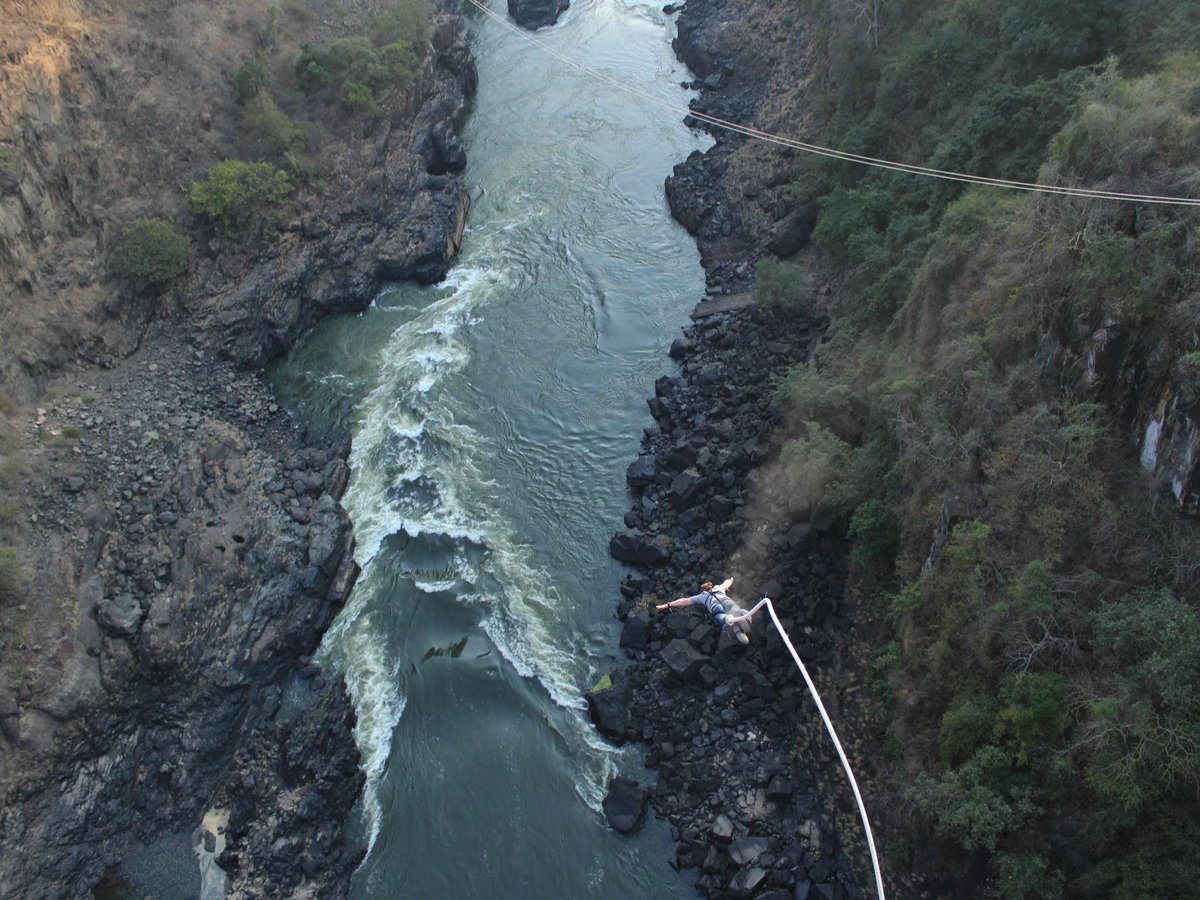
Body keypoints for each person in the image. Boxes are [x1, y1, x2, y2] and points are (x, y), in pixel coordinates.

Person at [656, 577, 751, 645]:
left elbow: (684, 601)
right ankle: (742, 618)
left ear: (703, 590)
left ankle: (734, 627)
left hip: (716, 608)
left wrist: (667, 605)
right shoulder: (718, 588)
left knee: (720, 617)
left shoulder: (701, 597)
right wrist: (731, 579)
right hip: (727, 602)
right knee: (736, 609)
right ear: (711, 586)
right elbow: (726, 583)